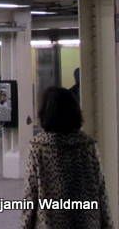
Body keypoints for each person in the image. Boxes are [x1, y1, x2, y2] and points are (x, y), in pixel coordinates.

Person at [22, 87, 113, 228]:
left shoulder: (38, 147)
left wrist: (25, 225)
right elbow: (101, 190)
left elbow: (30, 194)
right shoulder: (88, 146)